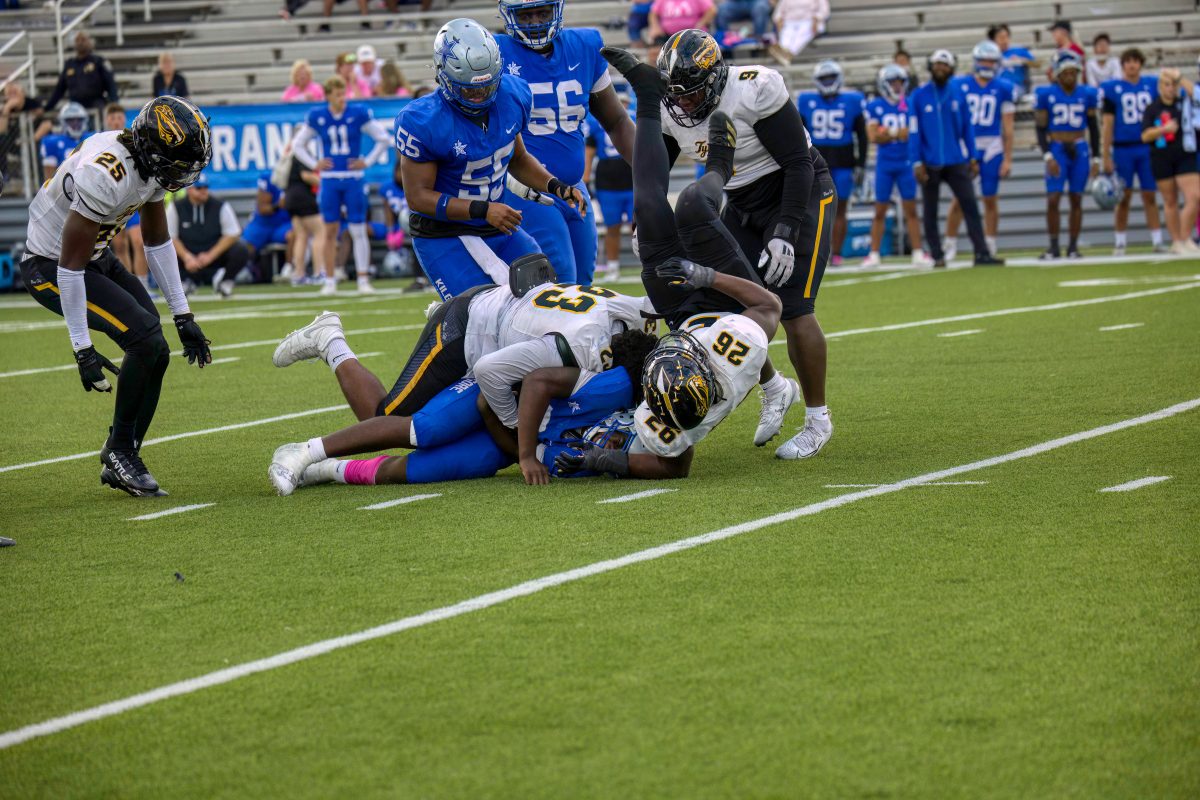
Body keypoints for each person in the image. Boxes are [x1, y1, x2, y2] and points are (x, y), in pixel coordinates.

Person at [604, 39, 827, 458]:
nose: (683, 103)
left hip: (796, 193)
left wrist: (785, 230)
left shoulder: (755, 87)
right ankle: (775, 387)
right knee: (727, 304)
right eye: (675, 94)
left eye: (690, 93)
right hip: (739, 198)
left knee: (794, 307)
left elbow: (798, 163)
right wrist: (641, 222)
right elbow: (655, 170)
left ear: (714, 79)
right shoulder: (673, 108)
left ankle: (818, 420)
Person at [267, 260, 658, 491]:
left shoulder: (632, 321)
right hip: (471, 332)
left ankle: (326, 471)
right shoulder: (587, 357)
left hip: (512, 344)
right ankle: (329, 345)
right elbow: (492, 376)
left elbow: (656, 306)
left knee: (430, 466)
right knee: (400, 420)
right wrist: (520, 440)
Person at [18, 96, 212, 497]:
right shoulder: (106, 173)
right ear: (153, 150)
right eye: (177, 164)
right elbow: (69, 268)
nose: (183, 174)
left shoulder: (147, 162)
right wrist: (82, 349)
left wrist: (183, 315)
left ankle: (124, 452)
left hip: (95, 255)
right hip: (50, 264)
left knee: (157, 349)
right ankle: (120, 452)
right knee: (144, 338)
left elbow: (156, 241)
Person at [394, 19, 585, 300]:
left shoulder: (513, 95)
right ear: (444, 77)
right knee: (478, 312)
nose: (480, 95)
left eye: (487, 86)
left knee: (544, 297)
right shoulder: (423, 120)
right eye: (470, 89)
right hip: (445, 235)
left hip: (496, 226)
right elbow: (418, 197)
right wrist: (483, 209)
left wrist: (556, 186)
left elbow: (518, 159)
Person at [495, 0, 637, 285]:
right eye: (525, 15)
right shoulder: (494, 53)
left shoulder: (584, 46)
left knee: (583, 281)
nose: (535, 22)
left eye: (542, 12)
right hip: (525, 190)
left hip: (574, 187)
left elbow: (617, 121)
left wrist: (649, 174)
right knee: (561, 280)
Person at [290, 74, 391, 295]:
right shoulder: (318, 115)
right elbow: (297, 145)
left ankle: (363, 279)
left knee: (358, 229)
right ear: (327, 96)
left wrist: (367, 161)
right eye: (337, 95)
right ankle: (329, 280)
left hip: (353, 178)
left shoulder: (358, 113)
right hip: (330, 180)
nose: (342, 98)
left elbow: (384, 138)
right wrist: (314, 164)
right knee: (329, 230)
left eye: (343, 93)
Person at [909, 49, 1003, 267]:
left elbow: (967, 128)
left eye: (944, 65)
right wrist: (916, 161)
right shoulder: (919, 95)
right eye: (937, 64)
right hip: (930, 161)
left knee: (970, 205)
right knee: (930, 210)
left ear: (951, 68)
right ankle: (937, 254)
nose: (940, 68)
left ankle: (982, 252)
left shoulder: (958, 93)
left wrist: (973, 156)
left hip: (955, 159)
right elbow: (914, 131)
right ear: (930, 66)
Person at [944, 40, 1018, 260]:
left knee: (990, 198)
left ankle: (990, 243)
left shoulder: (1004, 87)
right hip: (967, 145)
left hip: (993, 145)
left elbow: (1008, 127)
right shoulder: (959, 84)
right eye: (984, 60)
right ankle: (950, 243)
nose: (987, 64)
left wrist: (1008, 158)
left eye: (991, 61)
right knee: (960, 199)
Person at [861, 65, 932, 268]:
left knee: (911, 210)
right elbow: (874, 136)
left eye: (900, 82)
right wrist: (897, 133)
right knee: (879, 210)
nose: (897, 86)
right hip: (885, 164)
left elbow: (912, 133)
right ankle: (874, 253)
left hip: (906, 162)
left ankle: (917, 252)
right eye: (893, 82)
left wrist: (888, 132)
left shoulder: (909, 103)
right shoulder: (875, 105)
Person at [796, 60, 865, 266]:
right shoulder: (806, 100)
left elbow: (862, 136)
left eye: (831, 78)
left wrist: (861, 164)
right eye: (823, 78)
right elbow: (798, 135)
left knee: (840, 209)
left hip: (843, 162)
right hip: (815, 162)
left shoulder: (852, 100)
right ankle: (813, 253)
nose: (827, 82)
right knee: (811, 210)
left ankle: (836, 254)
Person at [1035, 51, 1100, 260]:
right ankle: (1053, 246)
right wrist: (1047, 156)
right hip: (1057, 147)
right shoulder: (1046, 94)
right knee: (1053, 198)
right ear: (1057, 74)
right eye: (1066, 72)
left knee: (1076, 198)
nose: (1070, 76)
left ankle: (1073, 247)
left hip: (1080, 147)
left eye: (1073, 72)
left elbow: (1094, 128)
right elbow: (1040, 129)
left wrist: (1096, 157)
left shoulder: (1087, 94)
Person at [1100, 48, 1164, 255]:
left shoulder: (1151, 84)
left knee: (1150, 195)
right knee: (1123, 197)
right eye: (1128, 61)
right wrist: (1105, 155)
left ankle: (1157, 240)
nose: (1132, 64)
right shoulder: (1113, 88)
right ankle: (1120, 242)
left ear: (1141, 64)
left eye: (1135, 60)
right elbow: (1107, 125)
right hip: (1123, 149)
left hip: (1147, 147)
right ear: (1122, 65)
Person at [1141, 68, 1199, 254]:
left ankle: (1185, 236)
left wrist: (1179, 77)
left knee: (1194, 196)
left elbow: (1196, 94)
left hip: (1185, 153)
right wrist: (1163, 130)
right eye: (1167, 84)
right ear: (1160, 87)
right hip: (1161, 156)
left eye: (1173, 85)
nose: (1171, 88)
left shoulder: (1185, 103)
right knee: (1170, 200)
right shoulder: (1153, 108)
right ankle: (1176, 241)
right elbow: (1145, 135)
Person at [167, 174, 250, 297]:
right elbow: (171, 236)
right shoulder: (176, 207)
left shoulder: (220, 206)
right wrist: (187, 257)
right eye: (199, 188)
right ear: (189, 190)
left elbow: (233, 233)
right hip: (186, 256)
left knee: (241, 249)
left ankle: (225, 281)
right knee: (165, 251)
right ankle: (183, 281)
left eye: (205, 187)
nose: (203, 191)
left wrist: (210, 256)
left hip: (213, 253)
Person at [584, 102, 634, 283]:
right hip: (608, 181)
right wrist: (586, 178)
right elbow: (589, 151)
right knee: (612, 227)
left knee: (640, 226)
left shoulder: (633, 118)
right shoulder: (596, 123)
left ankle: (650, 264)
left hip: (631, 179)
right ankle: (613, 266)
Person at [278, 141, 326, 285]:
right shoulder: (301, 155)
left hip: (291, 198)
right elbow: (306, 176)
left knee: (301, 235)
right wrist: (326, 182)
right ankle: (319, 272)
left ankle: (299, 274)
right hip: (303, 198)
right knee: (320, 232)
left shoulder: (291, 156)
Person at [43, 32, 118, 112]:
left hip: (96, 103)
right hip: (75, 106)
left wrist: (114, 104)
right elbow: (59, 90)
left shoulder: (99, 61)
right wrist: (46, 108)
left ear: (89, 43)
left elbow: (111, 84)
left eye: (83, 40)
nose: (80, 43)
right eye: (77, 40)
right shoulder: (69, 64)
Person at [241, 168, 293, 276]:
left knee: (294, 235)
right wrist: (278, 205)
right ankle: (236, 270)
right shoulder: (270, 177)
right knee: (244, 246)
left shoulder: (301, 177)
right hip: (263, 223)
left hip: (286, 223)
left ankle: (289, 269)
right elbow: (262, 209)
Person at [39, 102, 92, 182]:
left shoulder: (92, 138)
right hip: (64, 184)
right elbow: (50, 179)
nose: (75, 123)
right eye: (71, 120)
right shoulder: (52, 142)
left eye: (79, 120)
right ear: (63, 122)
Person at [647, 0, 715, 62]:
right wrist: (655, 27)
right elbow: (653, 14)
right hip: (667, 35)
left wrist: (700, 24)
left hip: (692, 35)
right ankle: (656, 70)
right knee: (654, 52)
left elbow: (711, 10)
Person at [987, 23, 1034, 94]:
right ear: (993, 40)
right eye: (1001, 38)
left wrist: (1021, 61)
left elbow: (1037, 64)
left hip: (1017, 87)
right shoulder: (988, 55)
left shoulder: (1019, 51)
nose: (1005, 40)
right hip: (996, 89)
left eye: (1007, 37)